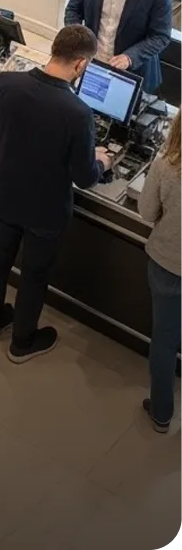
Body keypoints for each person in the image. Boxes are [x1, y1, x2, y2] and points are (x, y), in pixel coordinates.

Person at [0, 25, 112, 363]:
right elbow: (84, 178)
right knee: (34, 276)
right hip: (45, 212)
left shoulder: (6, 83)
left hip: (4, 195)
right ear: (80, 65)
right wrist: (103, 161)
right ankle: (22, 343)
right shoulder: (78, 114)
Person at [138, 108, 182, 434]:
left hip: (168, 263)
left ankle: (161, 413)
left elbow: (146, 211)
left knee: (165, 342)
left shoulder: (167, 164)